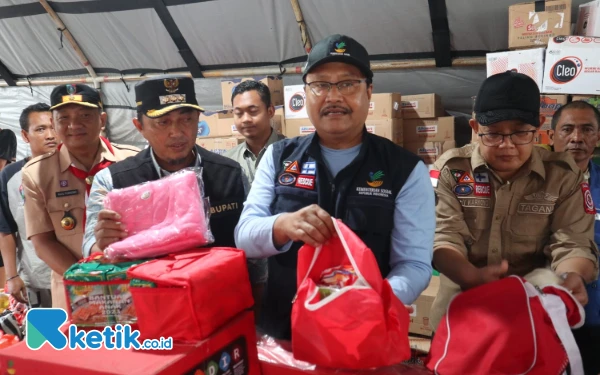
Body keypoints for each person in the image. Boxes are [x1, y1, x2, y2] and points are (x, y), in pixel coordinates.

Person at [235, 34, 435, 339]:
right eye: (321, 85)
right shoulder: (278, 158)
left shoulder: (404, 170)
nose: (333, 97)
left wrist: (378, 299)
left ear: (369, 91)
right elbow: (244, 237)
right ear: (306, 94)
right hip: (285, 333)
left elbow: (414, 263)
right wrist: (283, 225)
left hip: (364, 334)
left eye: (347, 83)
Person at [430, 71, 599, 331]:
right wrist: (470, 276)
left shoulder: (563, 176)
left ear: (539, 127)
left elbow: (572, 241)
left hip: (533, 313)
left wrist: (571, 276)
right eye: (494, 134)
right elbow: (444, 235)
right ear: (475, 128)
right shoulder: (451, 170)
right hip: (461, 312)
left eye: (520, 133)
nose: (506, 145)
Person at [84, 76, 245, 258]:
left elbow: (252, 250)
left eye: (186, 119)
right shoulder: (112, 181)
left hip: (218, 283)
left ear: (198, 119)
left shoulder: (230, 174)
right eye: (163, 122)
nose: (176, 132)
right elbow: (90, 246)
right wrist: (102, 244)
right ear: (139, 126)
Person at [21, 84, 139, 310]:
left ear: (102, 120)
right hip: (73, 289)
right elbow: (42, 241)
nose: (74, 125)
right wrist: (86, 281)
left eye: (85, 115)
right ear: (54, 124)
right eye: (63, 118)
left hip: (132, 282)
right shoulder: (37, 173)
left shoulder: (132, 162)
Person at [225, 80, 285, 318]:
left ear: (270, 111)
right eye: (238, 113)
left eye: (253, 111)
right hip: (245, 265)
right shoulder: (228, 163)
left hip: (283, 259)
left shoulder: (293, 153)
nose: (245, 119)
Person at [549, 100, 600, 375]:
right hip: (541, 314)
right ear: (551, 135)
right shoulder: (529, 183)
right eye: (567, 129)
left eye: (587, 129)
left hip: (593, 315)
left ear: (598, 136)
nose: (577, 138)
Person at [0, 103, 56, 307]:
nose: (50, 135)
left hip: (78, 275)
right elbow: (6, 230)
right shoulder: (10, 175)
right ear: (25, 135)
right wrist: (12, 276)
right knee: (43, 338)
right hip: (37, 281)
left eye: (54, 127)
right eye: (41, 129)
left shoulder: (75, 169)